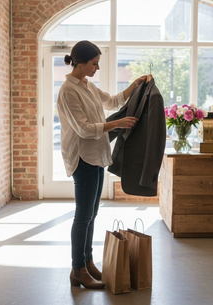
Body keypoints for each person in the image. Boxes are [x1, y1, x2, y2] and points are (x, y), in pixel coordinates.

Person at [57, 40, 146, 289]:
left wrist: (134, 85)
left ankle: (87, 263)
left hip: (95, 155)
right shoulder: (68, 90)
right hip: (82, 157)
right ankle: (78, 270)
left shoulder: (88, 85)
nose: (97, 68)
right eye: (94, 63)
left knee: (92, 214)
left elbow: (113, 101)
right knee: (83, 215)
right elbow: (84, 130)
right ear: (81, 62)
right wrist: (116, 124)